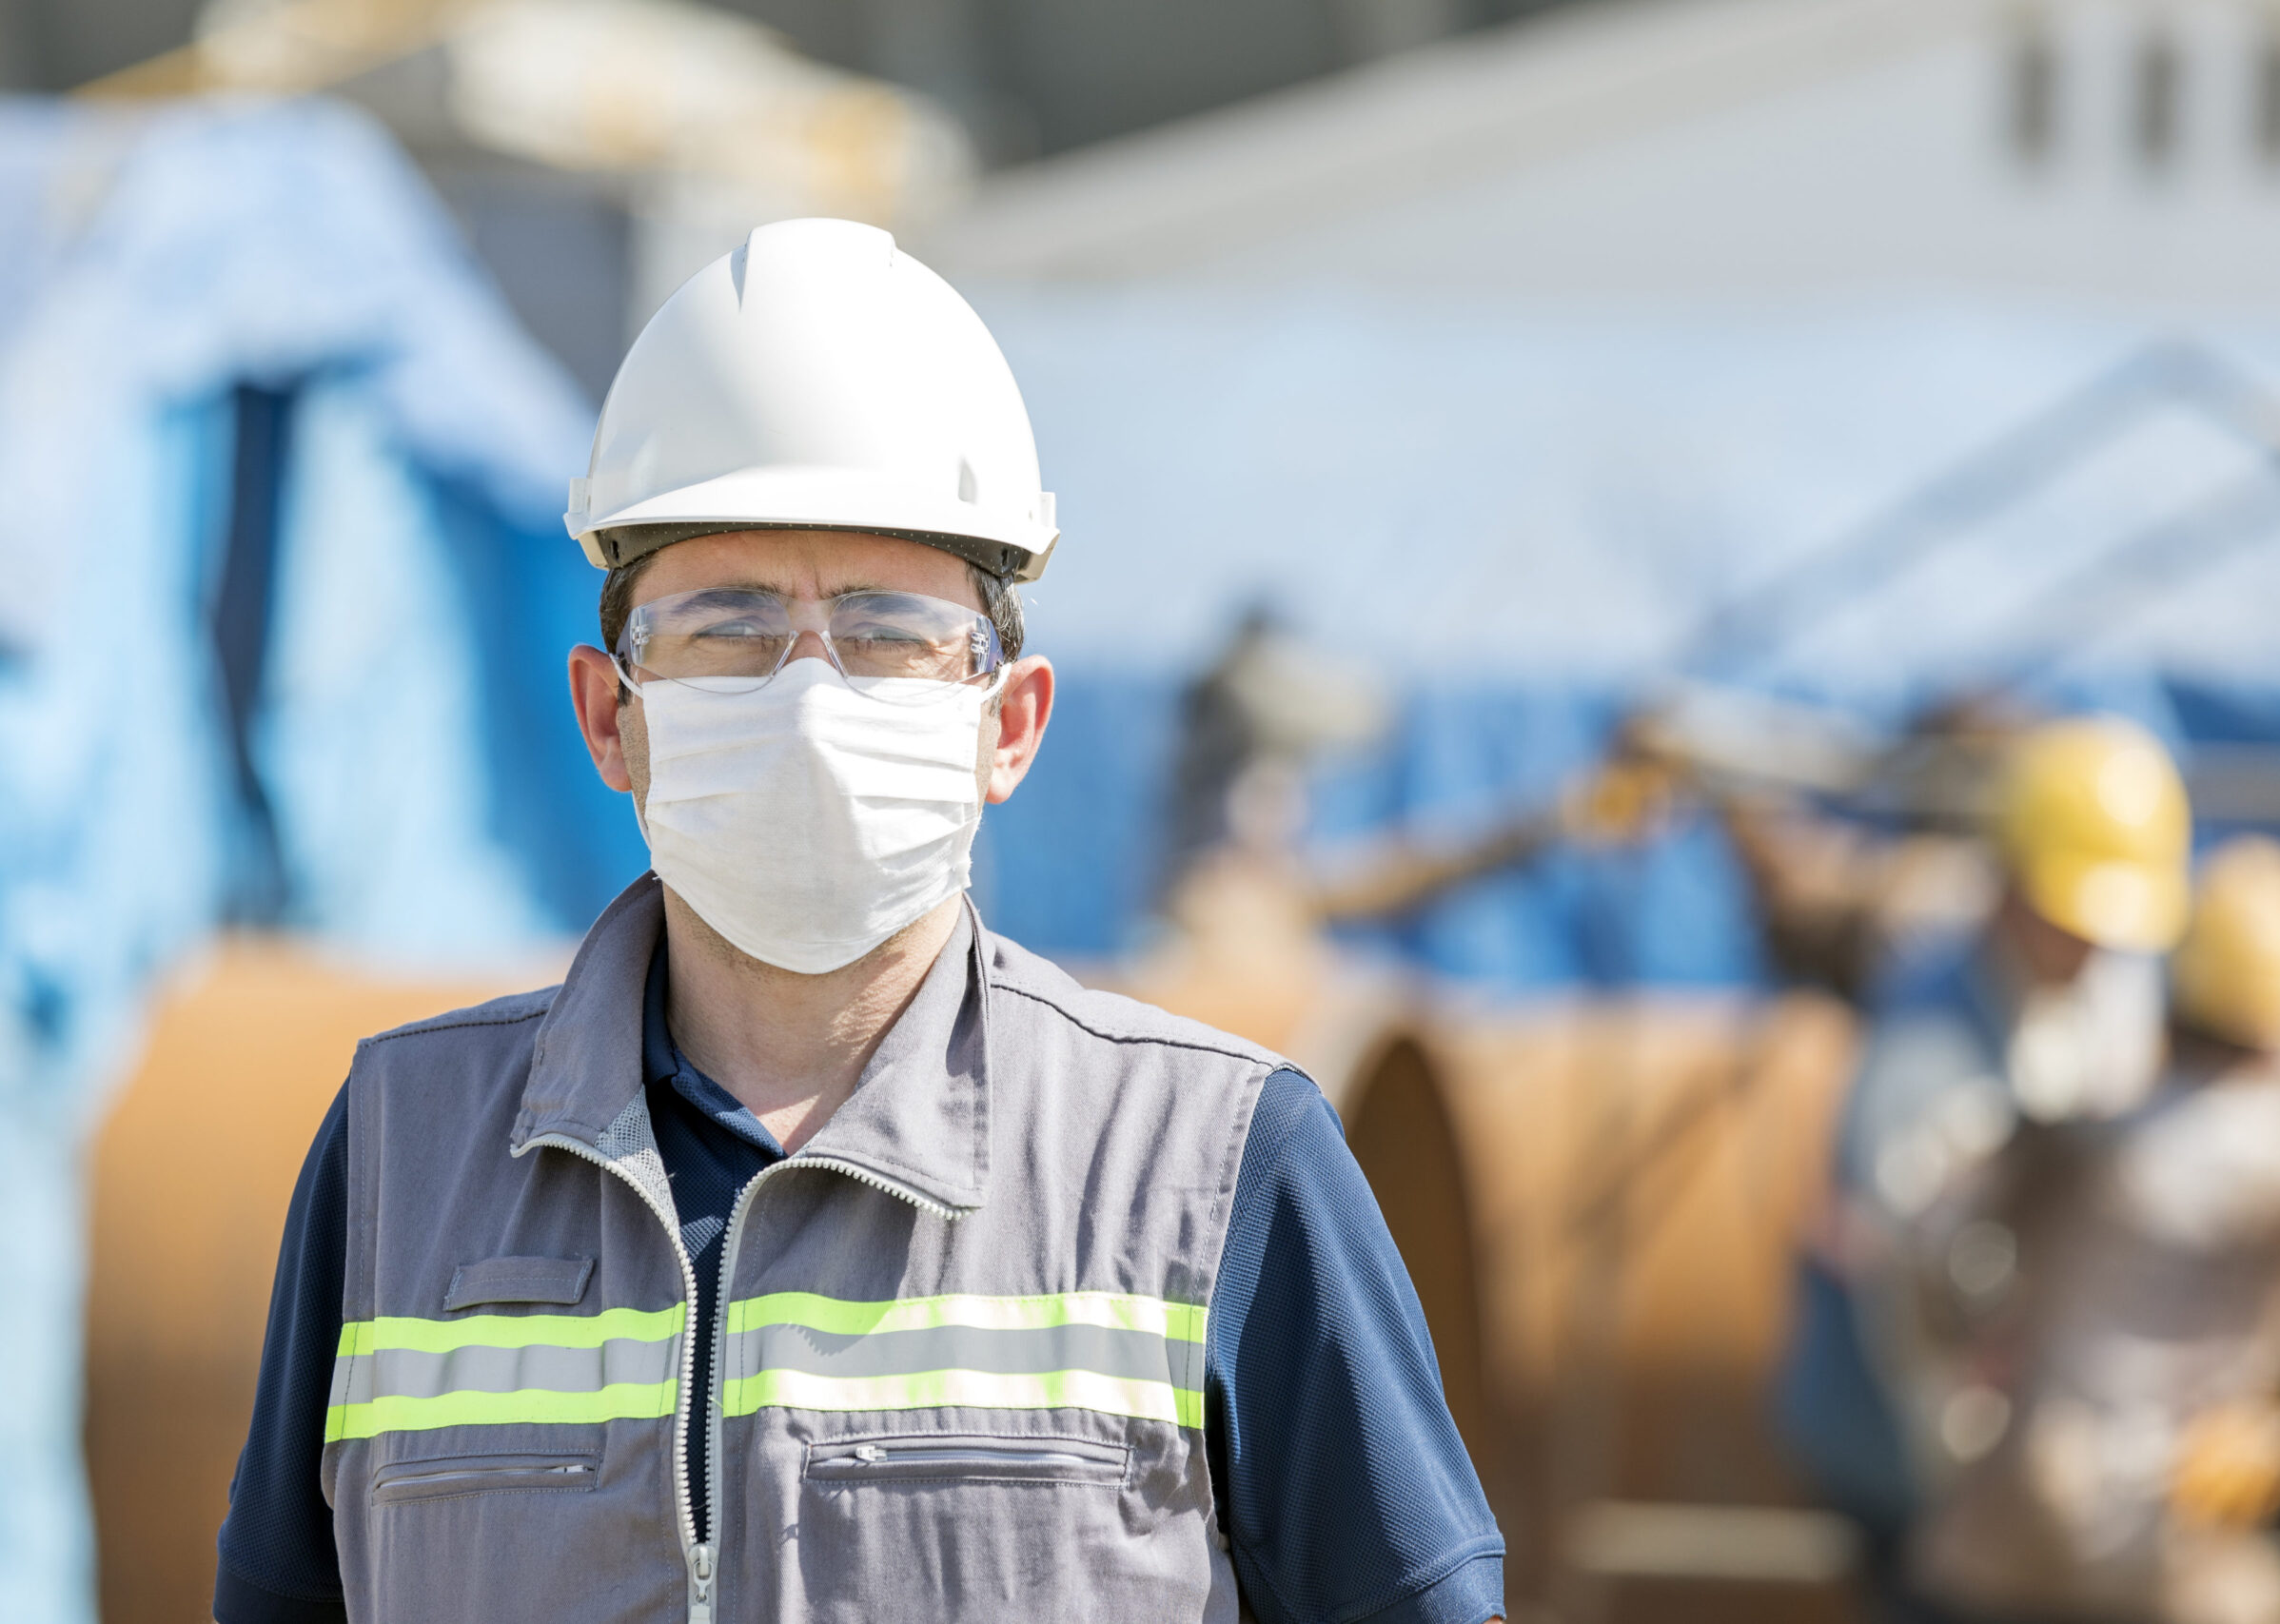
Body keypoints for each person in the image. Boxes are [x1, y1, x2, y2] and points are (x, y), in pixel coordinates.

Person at [211, 219, 1505, 1624]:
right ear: (608, 713)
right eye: (731, 627)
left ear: (1006, 724)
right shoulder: (404, 1149)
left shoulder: (1215, 1167)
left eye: (886, 629)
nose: (811, 699)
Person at [1906, 835, 2280, 1624]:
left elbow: (1934, 1253)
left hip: (2007, 1540)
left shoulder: (2071, 1139)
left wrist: (1980, 1363)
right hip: (2180, 1562)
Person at [1776, 714, 2191, 1581]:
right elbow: (1915, 1326)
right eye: (2074, 920)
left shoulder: (2098, 990)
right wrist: (1985, 1500)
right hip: (1912, 1461)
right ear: (2009, 886)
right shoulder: (1922, 1066)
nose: (2095, 947)